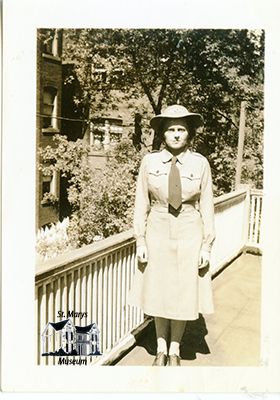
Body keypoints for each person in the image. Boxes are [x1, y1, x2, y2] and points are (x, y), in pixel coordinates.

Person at [127, 104, 216, 366]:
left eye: (181, 129)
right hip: (157, 228)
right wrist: (140, 239)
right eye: (171, 130)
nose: (176, 134)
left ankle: (175, 348)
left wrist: (206, 246)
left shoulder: (200, 164)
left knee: (183, 291)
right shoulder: (149, 162)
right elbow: (141, 202)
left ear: (188, 134)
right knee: (159, 289)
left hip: (190, 229)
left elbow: (208, 206)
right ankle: (161, 347)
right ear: (162, 134)